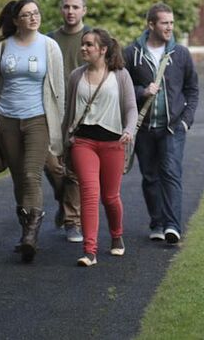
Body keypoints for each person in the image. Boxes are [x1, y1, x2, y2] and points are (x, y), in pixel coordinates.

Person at [0, 0, 66, 263]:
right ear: (16, 20)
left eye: (36, 13)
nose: (33, 18)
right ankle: (25, 227)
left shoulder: (49, 46)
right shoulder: (3, 47)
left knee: (32, 174)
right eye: (27, 14)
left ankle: (31, 235)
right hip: (7, 119)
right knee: (19, 177)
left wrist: (58, 123)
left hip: (38, 119)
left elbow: (58, 90)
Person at [124, 3, 199, 245]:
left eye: (172, 23)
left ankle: (172, 226)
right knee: (150, 176)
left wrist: (186, 121)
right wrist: (142, 91)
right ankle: (156, 222)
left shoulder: (181, 54)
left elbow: (192, 90)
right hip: (144, 128)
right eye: (165, 23)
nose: (169, 27)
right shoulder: (131, 54)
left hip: (172, 127)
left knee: (171, 173)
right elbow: (121, 87)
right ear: (151, 25)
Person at [62, 28, 138, 267]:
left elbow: (131, 109)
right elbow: (68, 112)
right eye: (83, 44)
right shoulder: (76, 76)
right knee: (89, 192)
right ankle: (89, 251)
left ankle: (116, 236)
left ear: (103, 49)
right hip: (84, 142)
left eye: (89, 45)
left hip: (113, 142)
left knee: (110, 197)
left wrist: (129, 130)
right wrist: (65, 141)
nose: (83, 48)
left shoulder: (121, 75)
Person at [44, 0, 90, 243]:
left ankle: (73, 221)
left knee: (74, 171)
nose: (70, 11)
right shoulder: (49, 40)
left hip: (83, 114)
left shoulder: (92, 38)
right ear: (61, 9)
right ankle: (65, 204)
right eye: (66, 7)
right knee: (52, 166)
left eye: (75, 7)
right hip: (52, 113)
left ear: (84, 10)